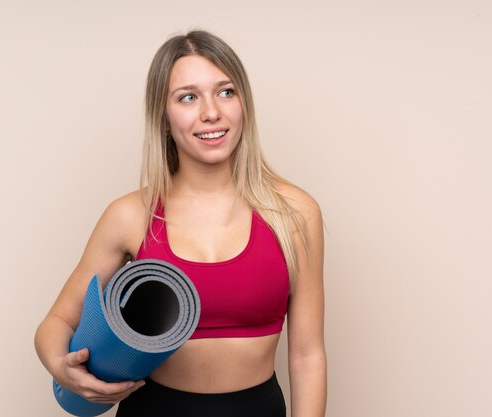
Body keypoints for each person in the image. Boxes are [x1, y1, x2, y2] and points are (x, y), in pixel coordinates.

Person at [34, 29, 326, 417]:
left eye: (226, 92)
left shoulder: (294, 212)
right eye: (188, 97)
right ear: (164, 117)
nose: (211, 112)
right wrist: (62, 368)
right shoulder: (130, 214)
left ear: (244, 104)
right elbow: (56, 322)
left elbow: (307, 355)